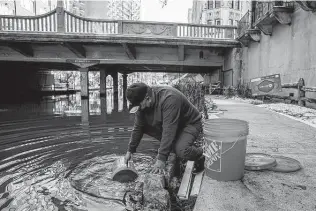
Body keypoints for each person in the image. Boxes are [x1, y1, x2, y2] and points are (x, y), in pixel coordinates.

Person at [124, 82, 205, 174]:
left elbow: (168, 131)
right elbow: (138, 127)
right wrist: (130, 150)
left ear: (148, 98)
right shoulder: (142, 103)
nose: (140, 109)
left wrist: (161, 159)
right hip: (172, 124)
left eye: (140, 106)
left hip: (190, 123)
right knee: (143, 126)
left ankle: (200, 154)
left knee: (181, 150)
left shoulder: (170, 98)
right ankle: (175, 146)